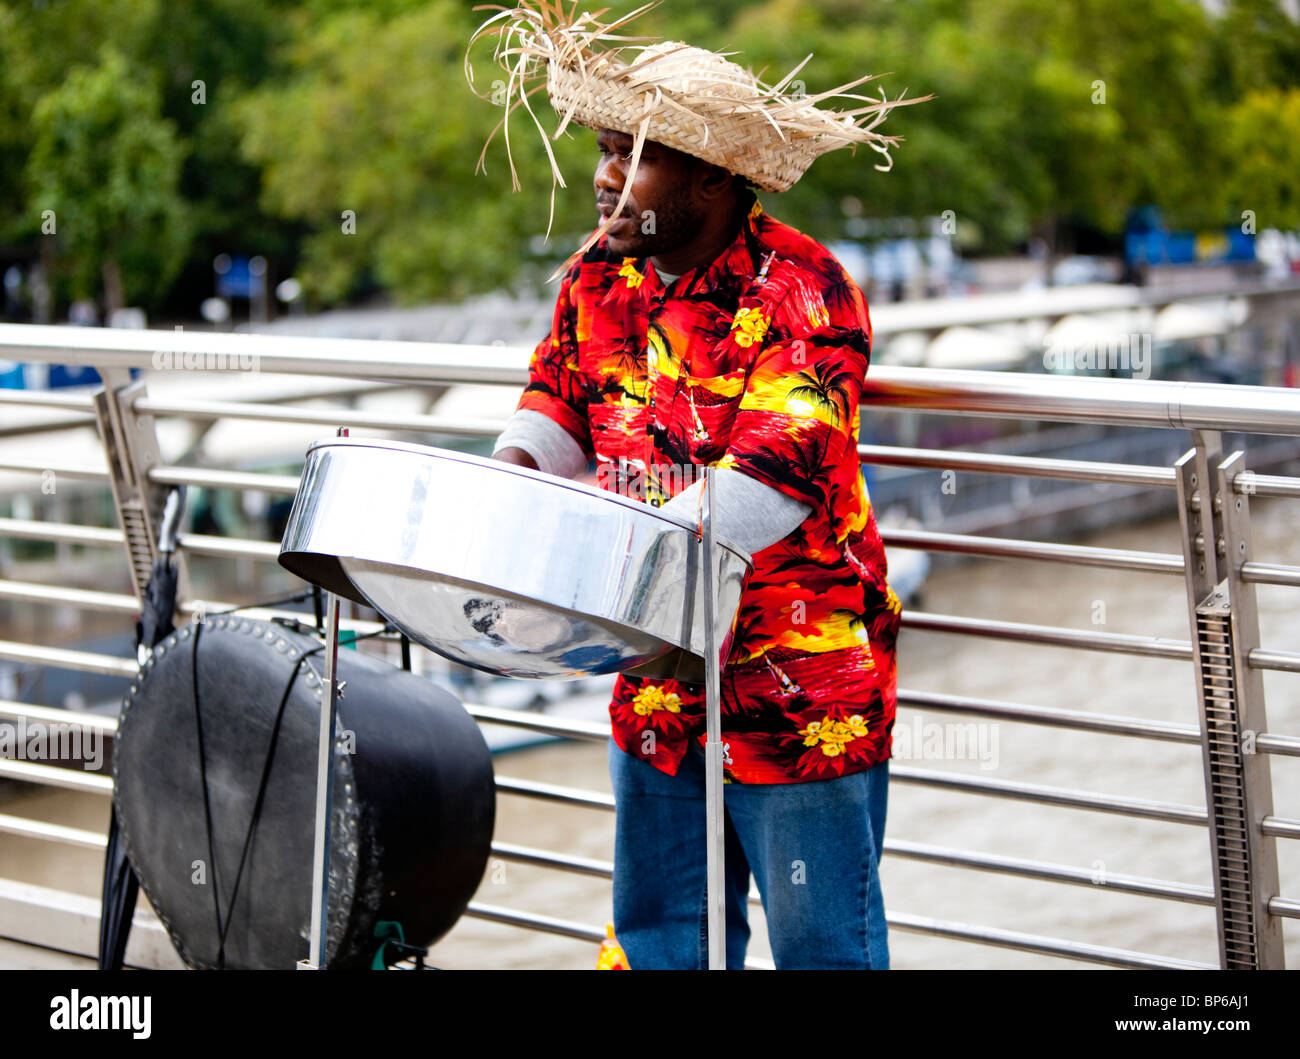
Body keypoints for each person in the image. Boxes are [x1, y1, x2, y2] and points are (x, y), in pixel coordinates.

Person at [470, 3, 928, 969]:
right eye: (603, 149)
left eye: (631, 155)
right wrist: (505, 492)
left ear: (713, 174)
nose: (603, 178)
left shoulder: (804, 290)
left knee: (826, 954)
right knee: (657, 946)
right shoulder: (598, 276)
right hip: (656, 689)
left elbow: (769, 479)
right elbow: (557, 399)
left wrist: (605, 572)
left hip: (796, 691)